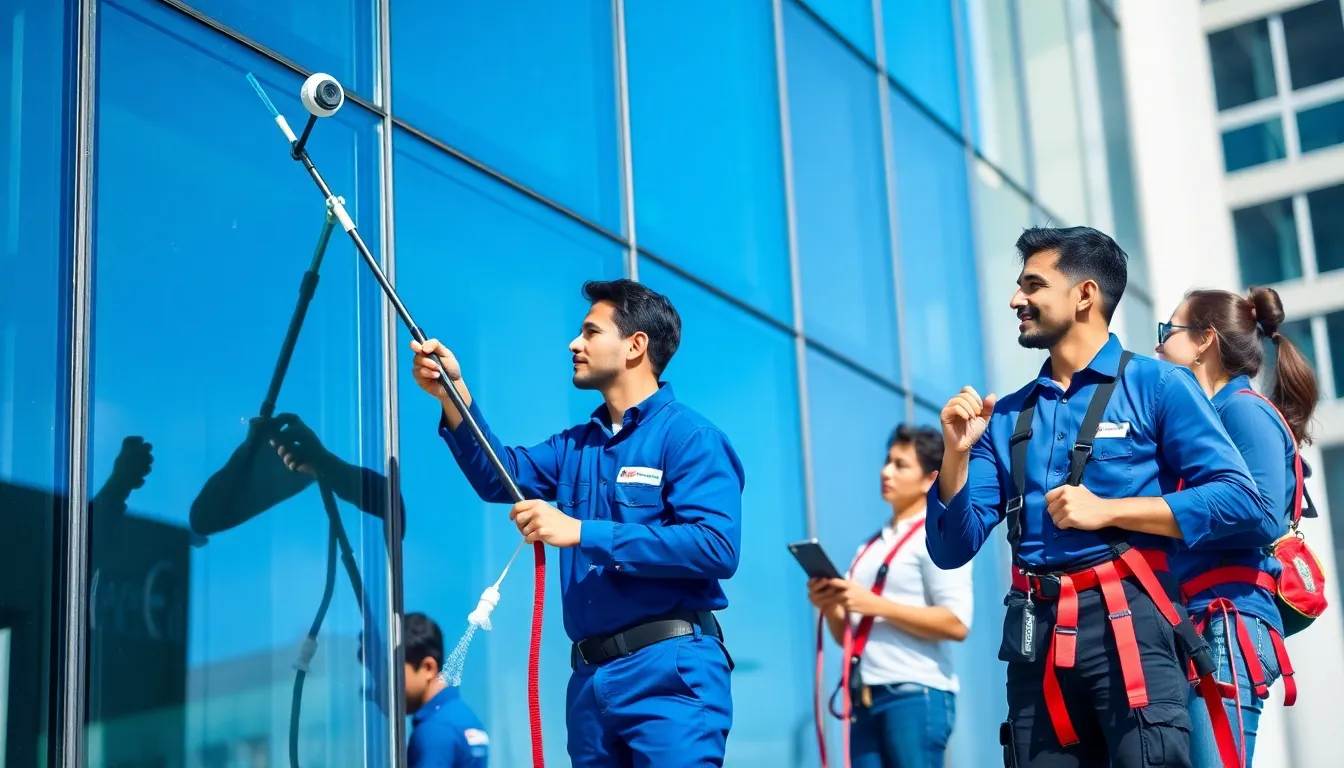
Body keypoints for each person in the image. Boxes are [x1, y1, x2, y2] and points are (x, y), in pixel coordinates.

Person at [928, 225, 1271, 768]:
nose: (1017, 299)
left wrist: (1108, 511)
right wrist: (955, 456)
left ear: (1085, 295)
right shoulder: (1008, 417)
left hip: (1133, 627)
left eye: (1033, 284)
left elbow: (1241, 501)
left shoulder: (1157, 386)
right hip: (1034, 641)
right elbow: (951, 547)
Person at [410, 278, 743, 768]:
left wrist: (581, 532)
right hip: (590, 684)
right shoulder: (574, 446)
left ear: (635, 346)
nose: (574, 343)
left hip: (670, 671)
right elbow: (499, 476)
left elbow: (715, 546)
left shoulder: (690, 437)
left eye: (590, 332)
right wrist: (453, 394)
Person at [1156, 287, 1317, 767]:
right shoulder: (1215, 416)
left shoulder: (1241, 410)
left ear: (1204, 340)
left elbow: (1264, 513)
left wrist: (1165, 514)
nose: (1159, 346)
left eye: (1168, 332)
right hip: (1207, 623)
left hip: (1228, 624)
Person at [808, 424, 972, 768]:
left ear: (930, 479)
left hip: (914, 695)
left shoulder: (939, 538)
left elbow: (957, 624)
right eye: (887, 461)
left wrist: (875, 605)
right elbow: (847, 636)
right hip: (865, 697)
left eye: (900, 465)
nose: (886, 472)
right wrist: (832, 606)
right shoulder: (868, 548)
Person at [402, 612, 489, 768]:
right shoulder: (465, 717)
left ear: (428, 668)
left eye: (393, 674)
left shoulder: (434, 731)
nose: (384, 684)